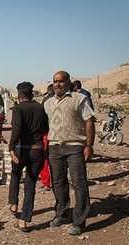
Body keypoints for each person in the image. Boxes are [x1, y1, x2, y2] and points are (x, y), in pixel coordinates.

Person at [45, 71, 95, 235]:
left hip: (75, 146)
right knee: (58, 183)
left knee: (79, 183)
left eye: (60, 81)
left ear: (68, 82)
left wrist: (89, 145)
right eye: (55, 81)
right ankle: (62, 213)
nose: (57, 84)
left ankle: (79, 221)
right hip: (54, 147)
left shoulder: (79, 98)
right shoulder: (48, 102)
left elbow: (89, 121)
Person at [8, 82, 48, 232]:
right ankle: (24, 220)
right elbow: (46, 128)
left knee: (15, 174)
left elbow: (16, 130)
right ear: (31, 93)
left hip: (21, 150)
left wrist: (11, 147)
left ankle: (13, 204)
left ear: (19, 95)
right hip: (37, 150)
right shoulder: (40, 107)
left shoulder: (18, 108)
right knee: (30, 184)